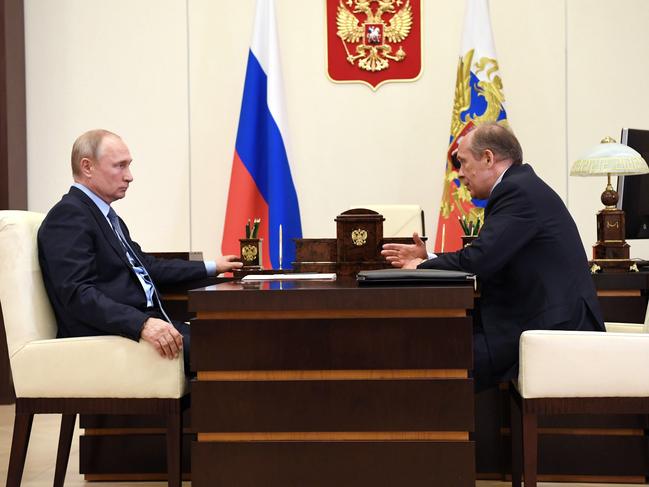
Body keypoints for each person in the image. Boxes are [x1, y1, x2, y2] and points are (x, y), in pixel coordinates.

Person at [381, 122, 604, 390]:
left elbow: (480, 260)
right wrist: (428, 256)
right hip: (536, 317)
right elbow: (489, 253)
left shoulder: (517, 191)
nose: (460, 174)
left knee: (443, 356)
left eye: (463, 163)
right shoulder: (520, 185)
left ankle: (438, 429)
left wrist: (423, 265)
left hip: (553, 329)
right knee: (441, 344)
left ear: (488, 158)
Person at [37, 129, 242, 372]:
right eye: (119, 166)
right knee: (227, 350)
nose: (130, 176)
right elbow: (78, 294)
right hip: (110, 336)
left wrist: (212, 266)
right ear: (87, 167)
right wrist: (142, 324)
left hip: (138, 326)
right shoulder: (69, 215)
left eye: (129, 166)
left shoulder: (104, 216)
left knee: (234, 340)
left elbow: (147, 266)